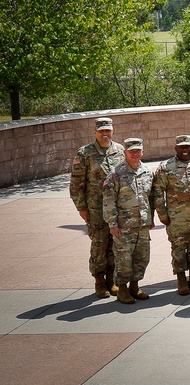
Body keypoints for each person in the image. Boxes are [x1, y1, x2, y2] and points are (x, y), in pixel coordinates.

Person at [69, 117, 125, 298]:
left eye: (108, 130)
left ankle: (112, 280)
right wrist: (81, 208)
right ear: (95, 132)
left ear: (112, 131)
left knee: (114, 245)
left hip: (116, 209)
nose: (105, 133)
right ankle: (99, 282)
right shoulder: (85, 153)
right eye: (101, 131)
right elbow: (76, 184)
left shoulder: (120, 151)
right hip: (96, 209)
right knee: (99, 246)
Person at [152, 135, 190, 296]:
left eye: (188, 146)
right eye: (181, 147)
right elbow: (157, 193)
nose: (185, 150)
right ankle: (181, 279)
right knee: (178, 248)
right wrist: (162, 214)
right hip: (177, 217)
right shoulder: (166, 167)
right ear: (176, 148)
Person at [102, 138, 154, 305]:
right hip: (124, 226)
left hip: (143, 224)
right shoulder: (115, 173)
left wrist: (151, 218)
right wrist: (112, 224)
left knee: (141, 257)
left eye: (138, 150)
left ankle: (134, 286)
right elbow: (109, 201)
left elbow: (150, 198)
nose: (135, 153)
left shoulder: (147, 171)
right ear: (125, 153)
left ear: (142, 152)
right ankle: (122, 289)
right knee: (124, 258)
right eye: (131, 151)